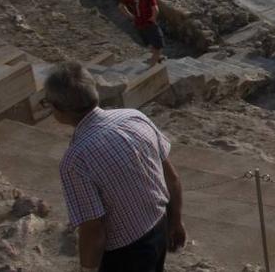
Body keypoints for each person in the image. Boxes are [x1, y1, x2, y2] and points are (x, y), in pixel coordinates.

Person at [47, 63, 186, 272]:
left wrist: (87, 270)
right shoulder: (134, 117)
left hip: (126, 253)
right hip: (159, 226)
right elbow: (172, 178)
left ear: (59, 108)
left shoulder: (76, 160)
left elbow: (94, 229)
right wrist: (176, 221)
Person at [119, 0, 164, 65]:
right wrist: (153, 19)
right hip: (149, 23)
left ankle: (157, 57)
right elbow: (156, 10)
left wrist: (130, 16)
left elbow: (120, 6)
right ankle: (152, 66)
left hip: (138, 23)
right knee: (159, 46)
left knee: (150, 42)